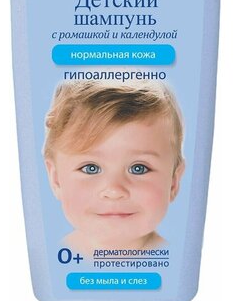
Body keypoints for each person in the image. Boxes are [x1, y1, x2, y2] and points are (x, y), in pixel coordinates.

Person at [43, 80, 185, 257]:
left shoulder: (178, 259)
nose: (114, 191)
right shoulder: (48, 257)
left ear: (173, 182)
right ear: (56, 179)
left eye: (139, 168)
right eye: (91, 168)